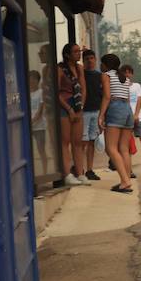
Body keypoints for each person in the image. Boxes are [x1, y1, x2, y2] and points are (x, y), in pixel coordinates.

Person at [99, 53, 136, 194]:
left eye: (102, 63)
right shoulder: (125, 78)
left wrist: (101, 116)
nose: (100, 66)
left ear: (106, 65)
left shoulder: (106, 75)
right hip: (127, 110)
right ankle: (126, 180)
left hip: (115, 109)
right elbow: (126, 98)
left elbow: (107, 96)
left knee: (111, 148)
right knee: (124, 148)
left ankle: (125, 181)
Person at [57, 42, 88, 186]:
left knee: (78, 142)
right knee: (65, 141)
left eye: (79, 51)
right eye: (75, 52)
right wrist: (69, 109)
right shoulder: (60, 69)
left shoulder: (79, 68)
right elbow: (56, 92)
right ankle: (67, 174)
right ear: (67, 54)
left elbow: (83, 89)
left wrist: (80, 108)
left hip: (77, 106)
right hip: (64, 105)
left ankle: (80, 173)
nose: (79, 53)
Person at [80, 49, 104, 181]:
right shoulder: (81, 75)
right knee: (82, 142)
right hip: (84, 113)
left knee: (91, 141)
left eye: (91, 58)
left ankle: (89, 169)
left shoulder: (99, 76)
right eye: (87, 58)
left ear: (95, 60)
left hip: (96, 111)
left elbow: (103, 96)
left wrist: (102, 114)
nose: (89, 60)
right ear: (83, 61)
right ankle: (79, 169)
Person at [28, 70, 48, 166]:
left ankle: (44, 172)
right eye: (30, 79)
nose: (32, 81)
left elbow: (40, 112)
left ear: (38, 80)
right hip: (29, 126)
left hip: (39, 126)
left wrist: (30, 122)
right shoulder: (26, 94)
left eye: (34, 79)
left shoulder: (41, 93)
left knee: (41, 150)